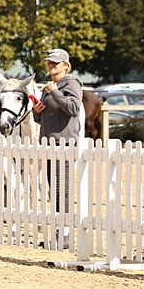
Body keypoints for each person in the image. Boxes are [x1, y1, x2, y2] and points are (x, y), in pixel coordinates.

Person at [32, 48, 82, 214]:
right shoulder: (49, 86)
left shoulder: (71, 84)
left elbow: (74, 109)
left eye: (55, 62)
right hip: (48, 144)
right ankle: (57, 232)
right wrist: (37, 112)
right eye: (49, 62)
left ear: (66, 65)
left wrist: (54, 92)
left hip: (64, 143)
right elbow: (41, 119)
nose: (51, 65)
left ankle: (65, 233)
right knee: (53, 189)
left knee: (62, 190)